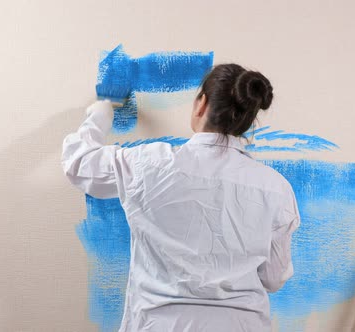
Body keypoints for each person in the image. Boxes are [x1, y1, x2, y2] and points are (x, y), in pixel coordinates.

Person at [62, 64, 301, 332]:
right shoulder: (275, 188)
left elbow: (79, 164)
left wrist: (99, 115)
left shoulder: (151, 164)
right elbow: (273, 279)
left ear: (201, 104)